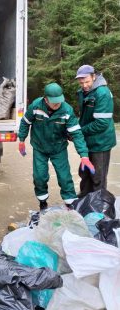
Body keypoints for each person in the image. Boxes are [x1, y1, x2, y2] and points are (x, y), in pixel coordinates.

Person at [18, 82, 95, 210]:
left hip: (58, 148)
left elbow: (76, 133)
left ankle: (70, 203)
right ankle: (42, 201)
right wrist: (21, 139)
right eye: (54, 102)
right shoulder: (36, 106)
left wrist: (84, 156)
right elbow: (25, 122)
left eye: (59, 101)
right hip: (40, 147)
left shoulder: (67, 110)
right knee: (39, 177)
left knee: (65, 177)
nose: (57, 104)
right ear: (45, 99)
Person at [75, 65, 117, 196]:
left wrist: (79, 131)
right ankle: (84, 199)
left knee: (98, 176)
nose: (84, 85)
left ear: (94, 76)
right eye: (81, 83)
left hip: (101, 142)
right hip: (88, 140)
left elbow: (101, 123)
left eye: (87, 81)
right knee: (85, 172)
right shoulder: (82, 92)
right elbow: (83, 116)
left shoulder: (102, 93)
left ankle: (98, 204)